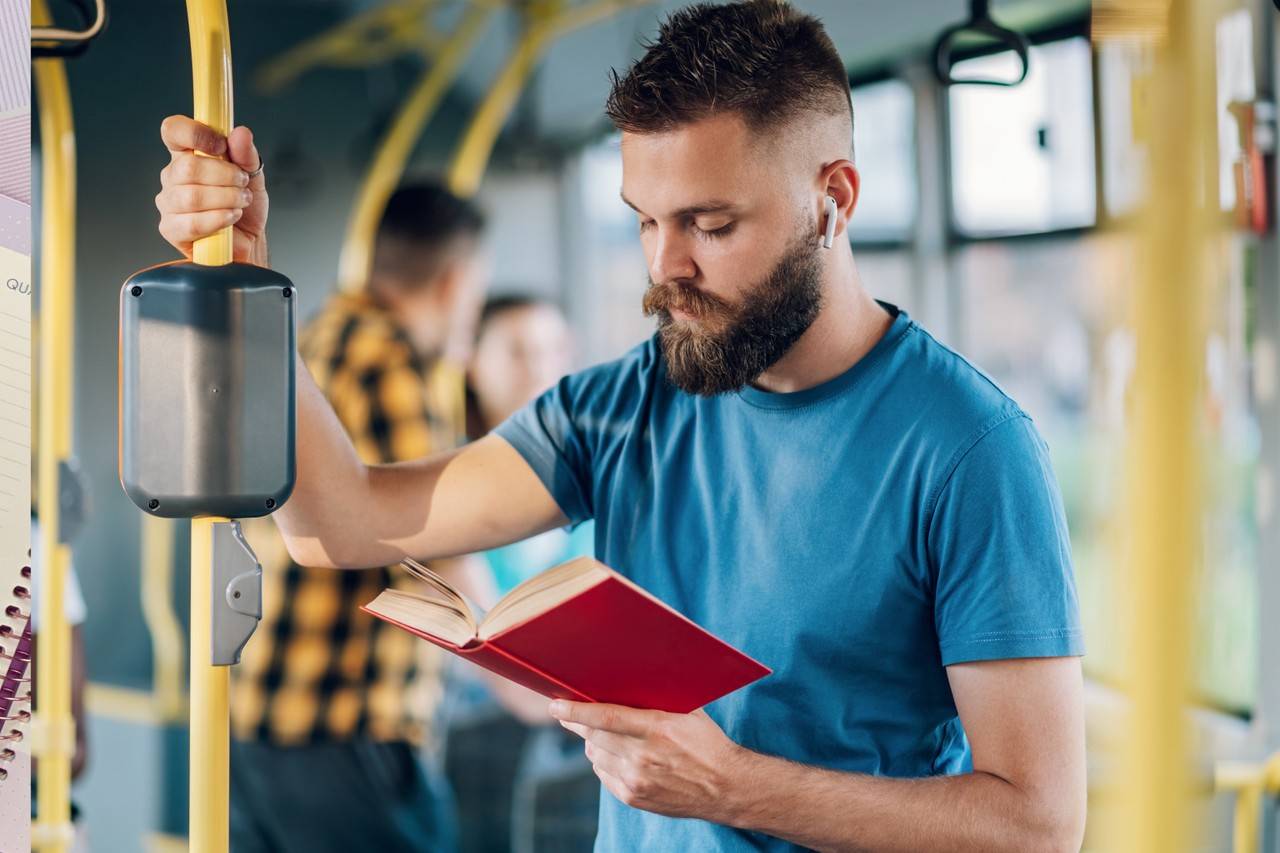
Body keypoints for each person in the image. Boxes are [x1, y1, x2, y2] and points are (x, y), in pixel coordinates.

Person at [153, 2, 1087, 850]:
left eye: (709, 225)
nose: (664, 265)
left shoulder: (971, 451)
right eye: (644, 220)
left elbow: (1038, 825)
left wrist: (733, 788)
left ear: (832, 201)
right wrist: (246, 280)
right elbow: (339, 522)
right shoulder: (622, 404)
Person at [163, 178, 490, 852]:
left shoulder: (319, 333)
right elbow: (431, 540)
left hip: (262, 703)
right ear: (458, 282)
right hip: (343, 719)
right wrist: (530, 678)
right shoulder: (390, 362)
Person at [464, 295, 591, 593]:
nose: (539, 370)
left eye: (554, 351)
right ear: (470, 361)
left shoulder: (599, 468)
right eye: (517, 353)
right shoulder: (440, 471)